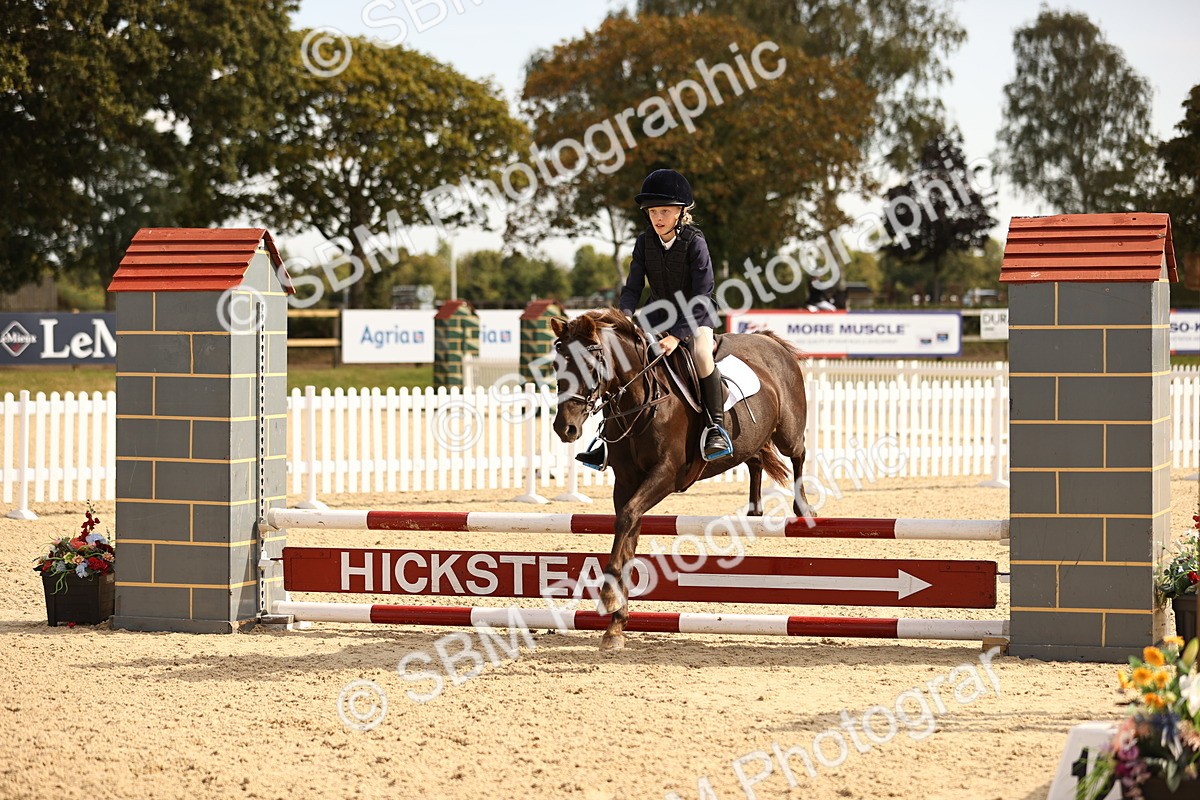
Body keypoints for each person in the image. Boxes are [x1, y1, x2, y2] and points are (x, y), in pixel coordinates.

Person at [576, 168, 731, 468]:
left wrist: (677, 335)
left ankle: (716, 428)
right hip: (657, 314)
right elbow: (633, 288)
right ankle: (607, 438)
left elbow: (703, 293)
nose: (658, 218)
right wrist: (622, 319)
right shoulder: (644, 242)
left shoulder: (695, 242)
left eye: (665, 211)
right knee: (620, 358)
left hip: (695, 315)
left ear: (680, 212)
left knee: (701, 354)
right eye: (653, 212)